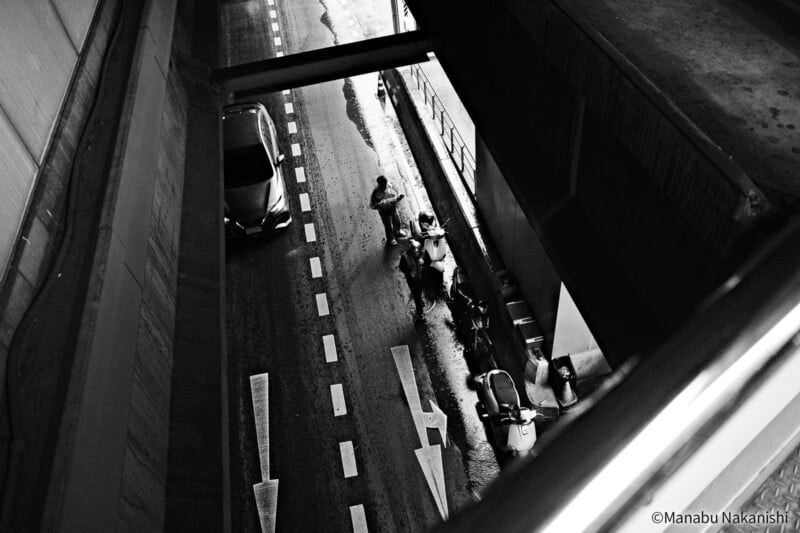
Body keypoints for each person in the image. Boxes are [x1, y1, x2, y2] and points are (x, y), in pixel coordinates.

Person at [369, 175, 405, 245]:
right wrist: (382, 204)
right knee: (388, 226)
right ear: (379, 184)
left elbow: (394, 193)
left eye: (385, 184)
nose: (385, 187)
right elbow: (372, 205)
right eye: (383, 185)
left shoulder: (389, 186)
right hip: (384, 212)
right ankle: (390, 238)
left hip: (393, 208)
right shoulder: (376, 193)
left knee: (397, 220)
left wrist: (397, 198)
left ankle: (397, 232)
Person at [398, 241, 426, 321]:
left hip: (421, 277)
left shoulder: (423, 254)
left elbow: (428, 262)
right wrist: (409, 271)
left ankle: (419, 301)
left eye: (418, 252)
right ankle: (419, 312)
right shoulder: (405, 257)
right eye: (415, 252)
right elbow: (401, 267)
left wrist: (423, 264)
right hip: (412, 280)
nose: (417, 254)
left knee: (419, 291)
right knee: (416, 295)